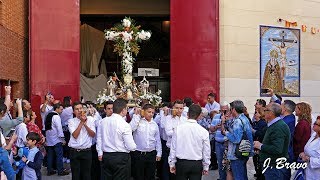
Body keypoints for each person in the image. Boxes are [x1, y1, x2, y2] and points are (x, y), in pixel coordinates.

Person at [96, 98, 136, 179]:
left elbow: (99, 138)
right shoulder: (124, 124)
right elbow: (131, 146)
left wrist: (100, 152)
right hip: (121, 157)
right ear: (123, 110)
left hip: (106, 156)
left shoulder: (102, 122)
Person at [169, 104, 211, 180]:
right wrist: (206, 166)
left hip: (181, 163)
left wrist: (172, 163)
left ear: (187, 114)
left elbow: (173, 148)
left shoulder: (178, 129)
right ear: (199, 116)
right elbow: (206, 151)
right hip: (196, 163)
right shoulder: (203, 131)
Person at [253, 103, 291, 179]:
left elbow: (277, 149)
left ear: (271, 113)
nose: (263, 112)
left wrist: (260, 146)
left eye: (266, 110)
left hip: (275, 167)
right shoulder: (274, 125)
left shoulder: (278, 127)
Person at [221, 100, 253, 180]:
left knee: (238, 176)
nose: (230, 111)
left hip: (236, 154)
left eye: (231, 109)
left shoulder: (238, 121)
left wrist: (226, 133)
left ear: (234, 109)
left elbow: (236, 139)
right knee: (243, 175)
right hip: (244, 151)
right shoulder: (244, 118)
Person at [130, 104, 162, 180]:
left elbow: (157, 139)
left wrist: (159, 153)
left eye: (152, 113)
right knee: (138, 176)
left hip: (151, 154)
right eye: (149, 112)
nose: (151, 114)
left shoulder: (154, 124)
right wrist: (137, 115)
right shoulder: (138, 121)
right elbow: (131, 128)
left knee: (150, 176)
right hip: (139, 154)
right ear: (143, 112)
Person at [68, 101, 96, 180]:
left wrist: (85, 124)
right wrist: (81, 122)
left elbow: (93, 134)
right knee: (75, 175)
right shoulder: (71, 121)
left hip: (86, 151)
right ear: (74, 111)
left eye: (81, 108)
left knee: (86, 175)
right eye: (77, 109)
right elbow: (75, 135)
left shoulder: (90, 119)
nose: (79, 110)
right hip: (74, 151)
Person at [45, 103, 69, 176]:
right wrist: (63, 139)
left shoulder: (48, 115)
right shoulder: (56, 116)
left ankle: (49, 170)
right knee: (59, 155)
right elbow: (59, 128)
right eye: (61, 109)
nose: (62, 111)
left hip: (49, 139)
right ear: (57, 108)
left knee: (50, 155)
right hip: (56, 139)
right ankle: (60, 171)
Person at [210, 101, 230, 180]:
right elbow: (211, 129)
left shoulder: (231, 117)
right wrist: (216, 127)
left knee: (228, 163)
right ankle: (222, 178)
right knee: (220, 163)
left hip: (228, 143)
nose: (223, 112)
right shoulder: (216, 117)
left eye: (225, 110)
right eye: (221, 110)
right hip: (218, 143)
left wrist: (224, 122)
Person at [251, 108, 267, 180]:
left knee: (259, 163)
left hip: (259, 146)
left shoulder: (262, 123)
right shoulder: (256, 122)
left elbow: (261, 134)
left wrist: (253, 131)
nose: (255, 114)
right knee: (256, 162)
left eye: (256, 113)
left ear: (261, 114)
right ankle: (258, 174)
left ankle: (260, 176)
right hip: (256, 145)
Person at [281, 100, 296, 164]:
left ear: (285, 109)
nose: (279, 107)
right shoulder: (291, 117)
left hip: (284, 152)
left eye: (281, 105)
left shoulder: (286, 121)